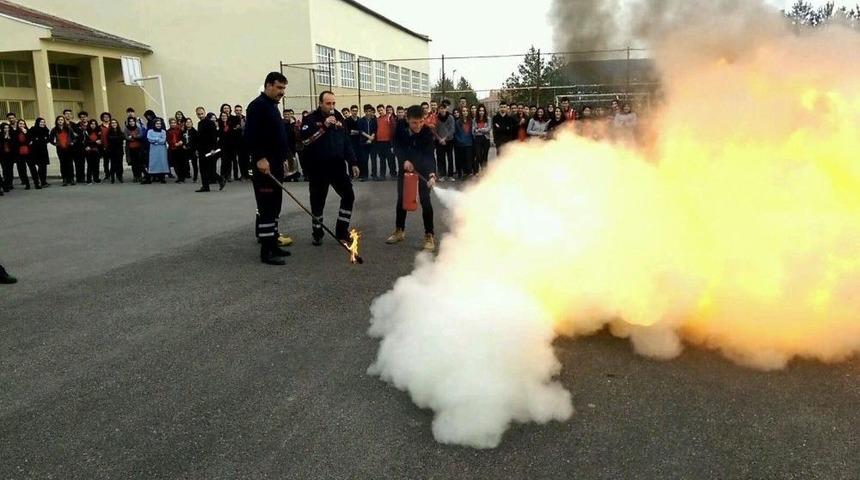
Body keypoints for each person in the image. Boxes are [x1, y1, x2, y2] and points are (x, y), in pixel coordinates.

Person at [298, 90, 360, 246]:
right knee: (318, 202)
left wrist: (353, 162)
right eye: (328, 103)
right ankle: (317, 232)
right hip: (318, 167)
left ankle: (342, 231)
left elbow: (346, 141)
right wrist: (324, 126)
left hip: (337, 166)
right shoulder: (310, 118)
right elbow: (305, 141)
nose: (331, 107)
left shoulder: (339, 117)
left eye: (333, 103)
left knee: (349, 196)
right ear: (320, 103)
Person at [245, 72, 294, 265]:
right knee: (266, 208)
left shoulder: (272, 106)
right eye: (279, 87)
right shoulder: (257, 106)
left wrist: (283, 158)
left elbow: (277, 136)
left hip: (276, 164)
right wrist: (260, 158)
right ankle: (266, 252)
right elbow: (250, 136)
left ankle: (273, 244)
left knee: (275, 206)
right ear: (268, 85)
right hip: (264, 166)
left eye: (284, 88)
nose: (282, 92)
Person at [386, 104, 438, 252]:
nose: (418, 125)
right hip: (405, 170)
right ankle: (399, 230)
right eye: (415, 122)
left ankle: (429, 235)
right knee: (402, 200)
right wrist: (404, 161)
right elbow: (397, 147)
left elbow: (430, 155)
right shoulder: (400, 128)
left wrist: (432, 174)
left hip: (422, 170)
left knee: (425, 201)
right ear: (407, 119)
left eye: (421, 121)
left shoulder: (427, 132)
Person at [195, 110, 225, 192]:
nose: (200, 115)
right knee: (203, 169)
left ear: (204, 113)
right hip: (202, 149)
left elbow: (214, 136)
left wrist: (213, 149)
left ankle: (220, 179)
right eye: (198, 114)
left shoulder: (210, 123)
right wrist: (197, 149)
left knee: (209, 169)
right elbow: (199, 138)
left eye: (202, 114)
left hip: (209, 150)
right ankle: (205, 186)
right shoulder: (199, 123)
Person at [50, 115, 76, 186]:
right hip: (60, 149)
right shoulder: (54, 129)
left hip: (69, 148)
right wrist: (55, 144)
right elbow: (50, 139)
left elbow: (74, 138)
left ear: (64, 121)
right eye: (59, 120)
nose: (60, 121)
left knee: (70, 164)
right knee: (63, 164)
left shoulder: (68, 128)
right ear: (57, 121)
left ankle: (71, 179)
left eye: (61, 120)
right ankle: (65, 179)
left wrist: (72, 142)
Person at [14, 120, 39, 189]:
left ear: (25, 125)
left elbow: (31, 141)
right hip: (19, 153)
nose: (22, 125)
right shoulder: (15, 133)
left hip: (29, 153)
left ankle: (36, 183)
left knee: (32, 168)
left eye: (23, 124)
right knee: (22, 169)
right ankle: (27, 184)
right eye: (20, 124)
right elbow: (15, 143)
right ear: (18, 125)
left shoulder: (28, 131)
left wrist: (26, 133)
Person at [434, 100, 455, 181]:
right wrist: (440, 139)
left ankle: (450, 175)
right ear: (438, 109)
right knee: (440, 158)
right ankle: (442, 175)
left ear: (446, 109)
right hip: (439, 141)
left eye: (443, 108)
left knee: (450, 158)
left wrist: (445, 138)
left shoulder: (450, 117)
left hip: (449, 140)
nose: (442, 110)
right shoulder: (436, 118)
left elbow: (452, 129)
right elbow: (434, 130)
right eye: (440, 109)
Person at [356, 104, 377, 181]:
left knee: (373, 159)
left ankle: (374, 175)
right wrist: (368, 137)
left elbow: (375, 130)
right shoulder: (361, 120)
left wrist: (371, 138)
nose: (368, 113)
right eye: (367, 111)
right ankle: (365, 176)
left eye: (369, 111)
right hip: (364, 142)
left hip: (373, 142)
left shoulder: (374, 120)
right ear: (364, 112)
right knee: (364, 160)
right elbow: (360, 131)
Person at [375, 103, 396, 180]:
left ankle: (393, 174)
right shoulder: (377, 119)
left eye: (381, 110)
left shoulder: (389, 117)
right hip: (380, 142)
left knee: (391, 159)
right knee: (382, 160)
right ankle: (382, 175)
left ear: (384, 109)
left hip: (388, 142)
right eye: (379, 110)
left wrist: (393, 143)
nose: (380, 112)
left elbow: (393, 129)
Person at [145, 118, 169, 184]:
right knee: (154, 162)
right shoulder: (150, 131)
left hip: (162, 150)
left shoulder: (163, 131)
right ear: (154, 124)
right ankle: (152, 177)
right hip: (153, 150)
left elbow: (163, 140)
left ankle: (162, 178)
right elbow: (149, 139)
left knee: (162, 162)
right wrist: (158, 139)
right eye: (157, 124)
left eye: (160, 124)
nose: (159, 125)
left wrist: (155, 140)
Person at [453, 106, 475, 178]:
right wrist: (459, 140)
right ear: (461, 112)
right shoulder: (457, 122)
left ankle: (469, 172)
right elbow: (455, 133)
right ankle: (464, 172)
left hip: (469, 143)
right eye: (463, 111)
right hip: (460, 144)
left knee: (469, 158)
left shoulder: (471, 121)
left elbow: (473, 132)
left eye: (466, 111)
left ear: (468, 112)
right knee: (462, 159)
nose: (465, 112)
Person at [29, 117, 51, 187]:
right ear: (38, 123)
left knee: (44, 166)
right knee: (40, 166)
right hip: (35, 151)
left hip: (44, 150)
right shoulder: (33, 129)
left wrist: (43, 140)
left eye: (44, 122)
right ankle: (40, 181)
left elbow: (48, 139)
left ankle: (44, 181)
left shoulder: (46, 130)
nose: (43, 123)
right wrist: (36, 140)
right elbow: (30, 137)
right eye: (41, 122)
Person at [124, 117, 146, 182]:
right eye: (130, 121)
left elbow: (141, 135)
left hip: (138, 148)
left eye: (133, 121)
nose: (131, 123)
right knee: (133, 164)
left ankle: (140, 176)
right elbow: (126, 137)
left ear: (135, 122)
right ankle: (135, 176)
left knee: (139, 163)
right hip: (130, 149)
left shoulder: (138, 128)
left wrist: (133, 136)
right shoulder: (126, 129)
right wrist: (135, 137)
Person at [104, 119, 125, 183]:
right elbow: (110, 139)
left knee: (120, 164)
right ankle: (112, 178)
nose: (114, 124)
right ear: (111, 124)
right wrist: (118, 138)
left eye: (115, 123)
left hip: (120, 151)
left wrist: (115, 139)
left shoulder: (120, 131)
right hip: (112, 151)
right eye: (112, 123)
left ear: (117, 124)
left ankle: (120, 177)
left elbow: (122, 138)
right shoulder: (109, 132)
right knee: (113, 165)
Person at [217, 111, 236, 182]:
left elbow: (232, 134)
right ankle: (222, 175)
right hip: (222, 145)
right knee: (223, 160)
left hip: (230, 146)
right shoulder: (219, 124)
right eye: (222, 116)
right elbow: (219, 134)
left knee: (229, 161)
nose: (224, 117)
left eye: (225, 116)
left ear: (227, 117)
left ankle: (228, 175)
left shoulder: (230, 124)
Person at [472, 105, 491, 175]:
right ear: (478, 111)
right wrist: (482, 130)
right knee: (478, 155)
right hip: (478, 139)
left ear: (484, 111)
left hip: (486, 138)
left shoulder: (488, 119)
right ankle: (476, 171)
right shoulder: (475, 119)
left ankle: (485, 171)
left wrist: (479, 129)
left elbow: (488, 129)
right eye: (480, 110)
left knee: (485, 155)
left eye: (482, 110)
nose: (481, 112)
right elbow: (473, 130)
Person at [166, 118, 186, 183]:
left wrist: (181, 142)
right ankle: (179, 177)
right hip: (172, 149)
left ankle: (182, 177)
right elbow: (168, 140)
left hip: (180, 149)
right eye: (171, 123)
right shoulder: (168, 131)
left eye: (174, 123)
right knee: (175, 164)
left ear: (176, 123)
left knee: (181, 163)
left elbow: (183, 138)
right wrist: (174, 144)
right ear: (169, 124)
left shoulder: (180, 130)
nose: (173, 124)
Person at [83, 119, 102, 184]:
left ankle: (96, 178)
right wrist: (94, 142)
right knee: (90, 165)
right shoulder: (86, 132)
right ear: (89, 124)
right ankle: (89, 179)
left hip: (97, 151)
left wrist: (94, 143)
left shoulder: (99, 132)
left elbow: (100, 141)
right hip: (88, 151)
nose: (93, 125)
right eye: (92, 124)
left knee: (96, 165)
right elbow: (85, 141)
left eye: (94, 124)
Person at [233, 104, 250, 180]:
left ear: (242, 111)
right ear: (234, 111)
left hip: (245, 142)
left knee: (247, 159)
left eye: (240, 110)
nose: (238, 112)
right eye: (237, 110)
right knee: (240, 160)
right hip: (237, 142)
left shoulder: (245, 119)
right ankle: (242, 175)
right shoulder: (232, 119)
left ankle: (249, 175)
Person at [182, 117, 199, 182]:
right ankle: (186, 174)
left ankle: (195, 177)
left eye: (189, 122)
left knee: (194, 164)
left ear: (192, 123)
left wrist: (196, 149)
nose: (188, 123)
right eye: (187, 122)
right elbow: (182, 139)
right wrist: (183, 144)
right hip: (185, 150)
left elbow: (196, 141)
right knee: (185, 163)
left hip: (193, 150)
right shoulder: (183, 131)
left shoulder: (195, 131)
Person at [1, 122, 15, 191]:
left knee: (10, 170)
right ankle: (6, 184)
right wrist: (6, 137)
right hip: (3, 156)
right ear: (2, 129)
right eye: (5, 128)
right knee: (5, 170)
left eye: (8, 128)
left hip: (10, 155)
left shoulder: (11, 135)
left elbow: (13, 144)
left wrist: (8, 137)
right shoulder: (1, 135)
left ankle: (10, 183)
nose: (7, 129)